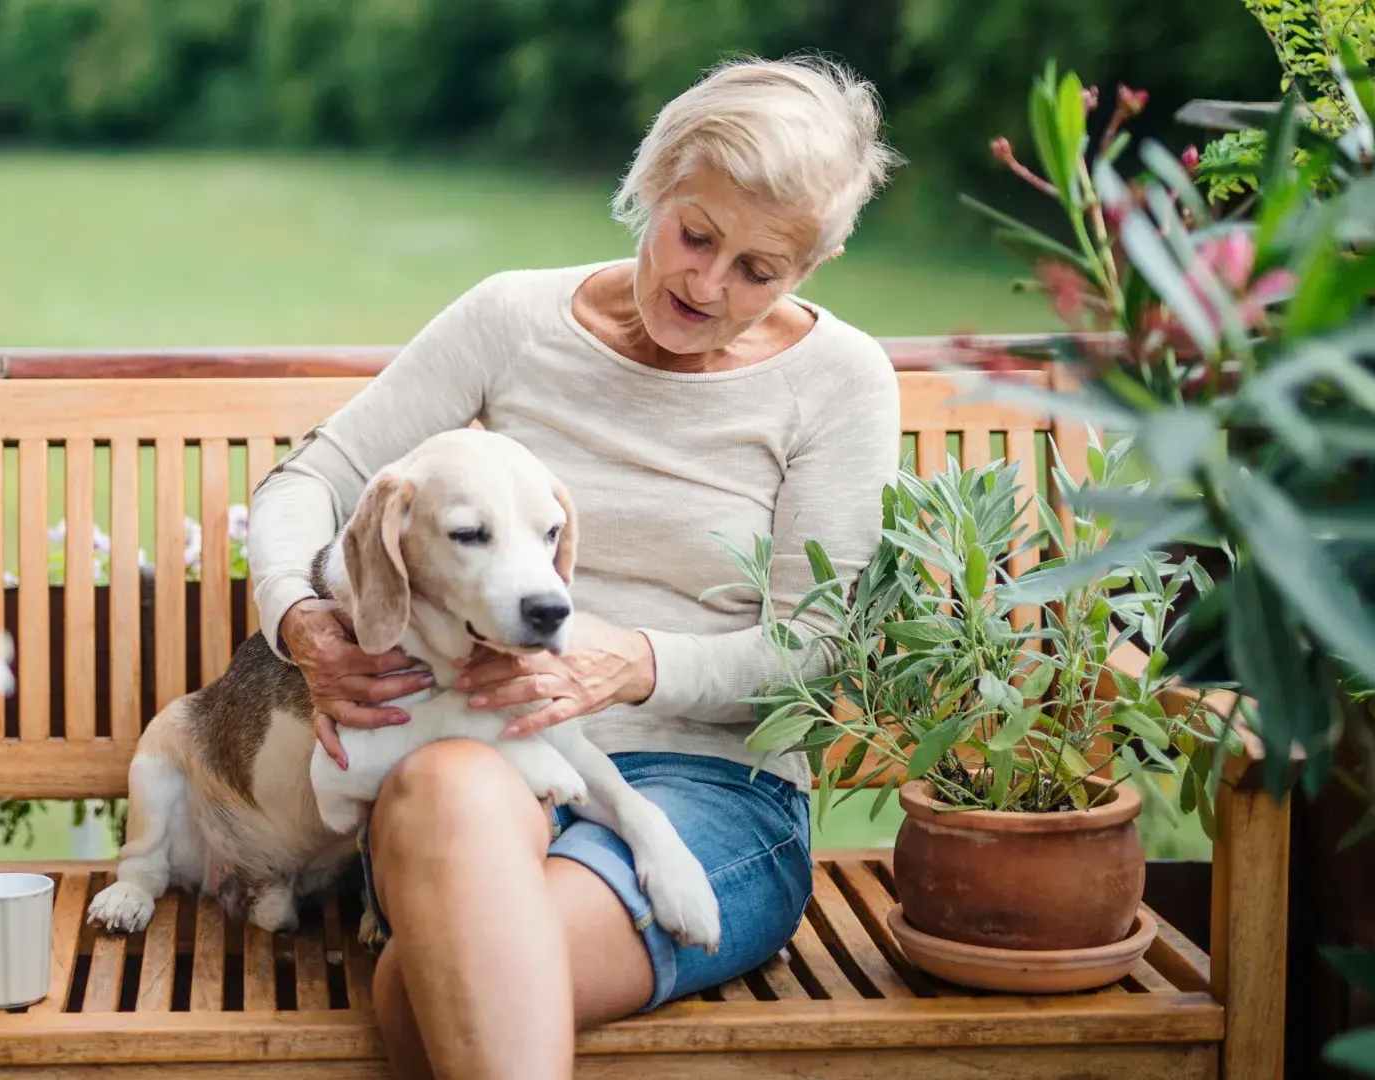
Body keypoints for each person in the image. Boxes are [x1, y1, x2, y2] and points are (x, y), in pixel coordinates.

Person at [247, 54, 902, 1079]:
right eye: (695, 233)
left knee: (432, 997)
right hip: (470, 754)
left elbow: (819, 648)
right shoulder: (512, 321)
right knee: (448, 824)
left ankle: (442, 965)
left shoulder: (839, 382)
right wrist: (302, 621)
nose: (706, 281)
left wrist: (633, 663)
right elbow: (311, 480)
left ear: (806, 270)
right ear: (650, 189)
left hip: (708, 794)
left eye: (758, 269)